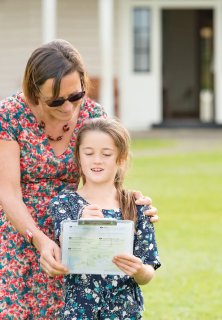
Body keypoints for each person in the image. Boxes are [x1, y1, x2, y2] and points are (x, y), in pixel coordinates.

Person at [0, 39, 158, 319]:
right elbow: (8, 193)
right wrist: (38, 239)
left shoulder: (92, 115)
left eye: (76, 96)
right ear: (34, 92)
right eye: (56, 100)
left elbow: (105, 172)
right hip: (13, 231)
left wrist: (132, 204)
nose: (68, 108)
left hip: (70, 228)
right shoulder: (9, 115)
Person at [50, 118, 161, 319]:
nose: (97, 160)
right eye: (89, 153)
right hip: (78, 311)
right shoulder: (64, 203)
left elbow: (148, 271)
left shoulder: (136, 206)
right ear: (78, 156)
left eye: (106, 154)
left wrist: (138, 271)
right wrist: (80, 224)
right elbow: (64, 250)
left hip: (124, 311)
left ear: (120, 159)